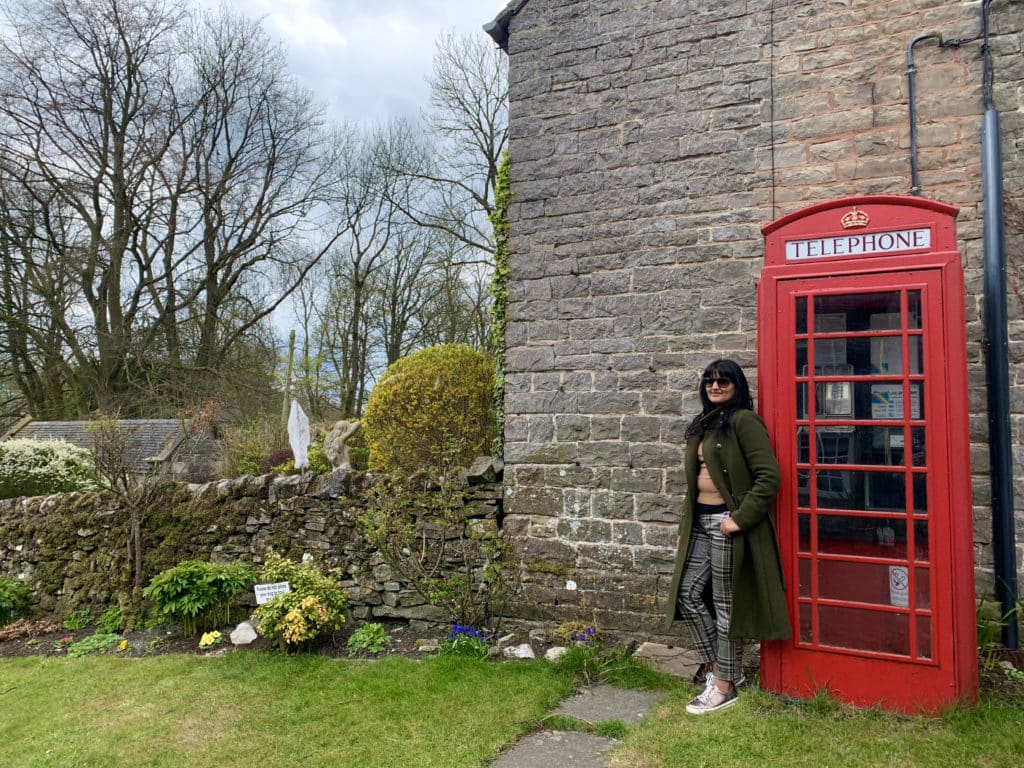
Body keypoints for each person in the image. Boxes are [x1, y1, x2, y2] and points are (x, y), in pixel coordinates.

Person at [666, 359, 791, 714]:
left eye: (723, 381)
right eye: (709, 381)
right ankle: (724, 670)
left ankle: (723, 688)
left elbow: (769, 477)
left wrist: (739, 518)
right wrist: (683, 531)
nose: (715, 386)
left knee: (725, 606)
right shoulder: (704, 424)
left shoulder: (743, 422)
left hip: (726, 524)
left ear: (738, 385)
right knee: (688, 594)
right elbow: (691, 487)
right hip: (700, 525)